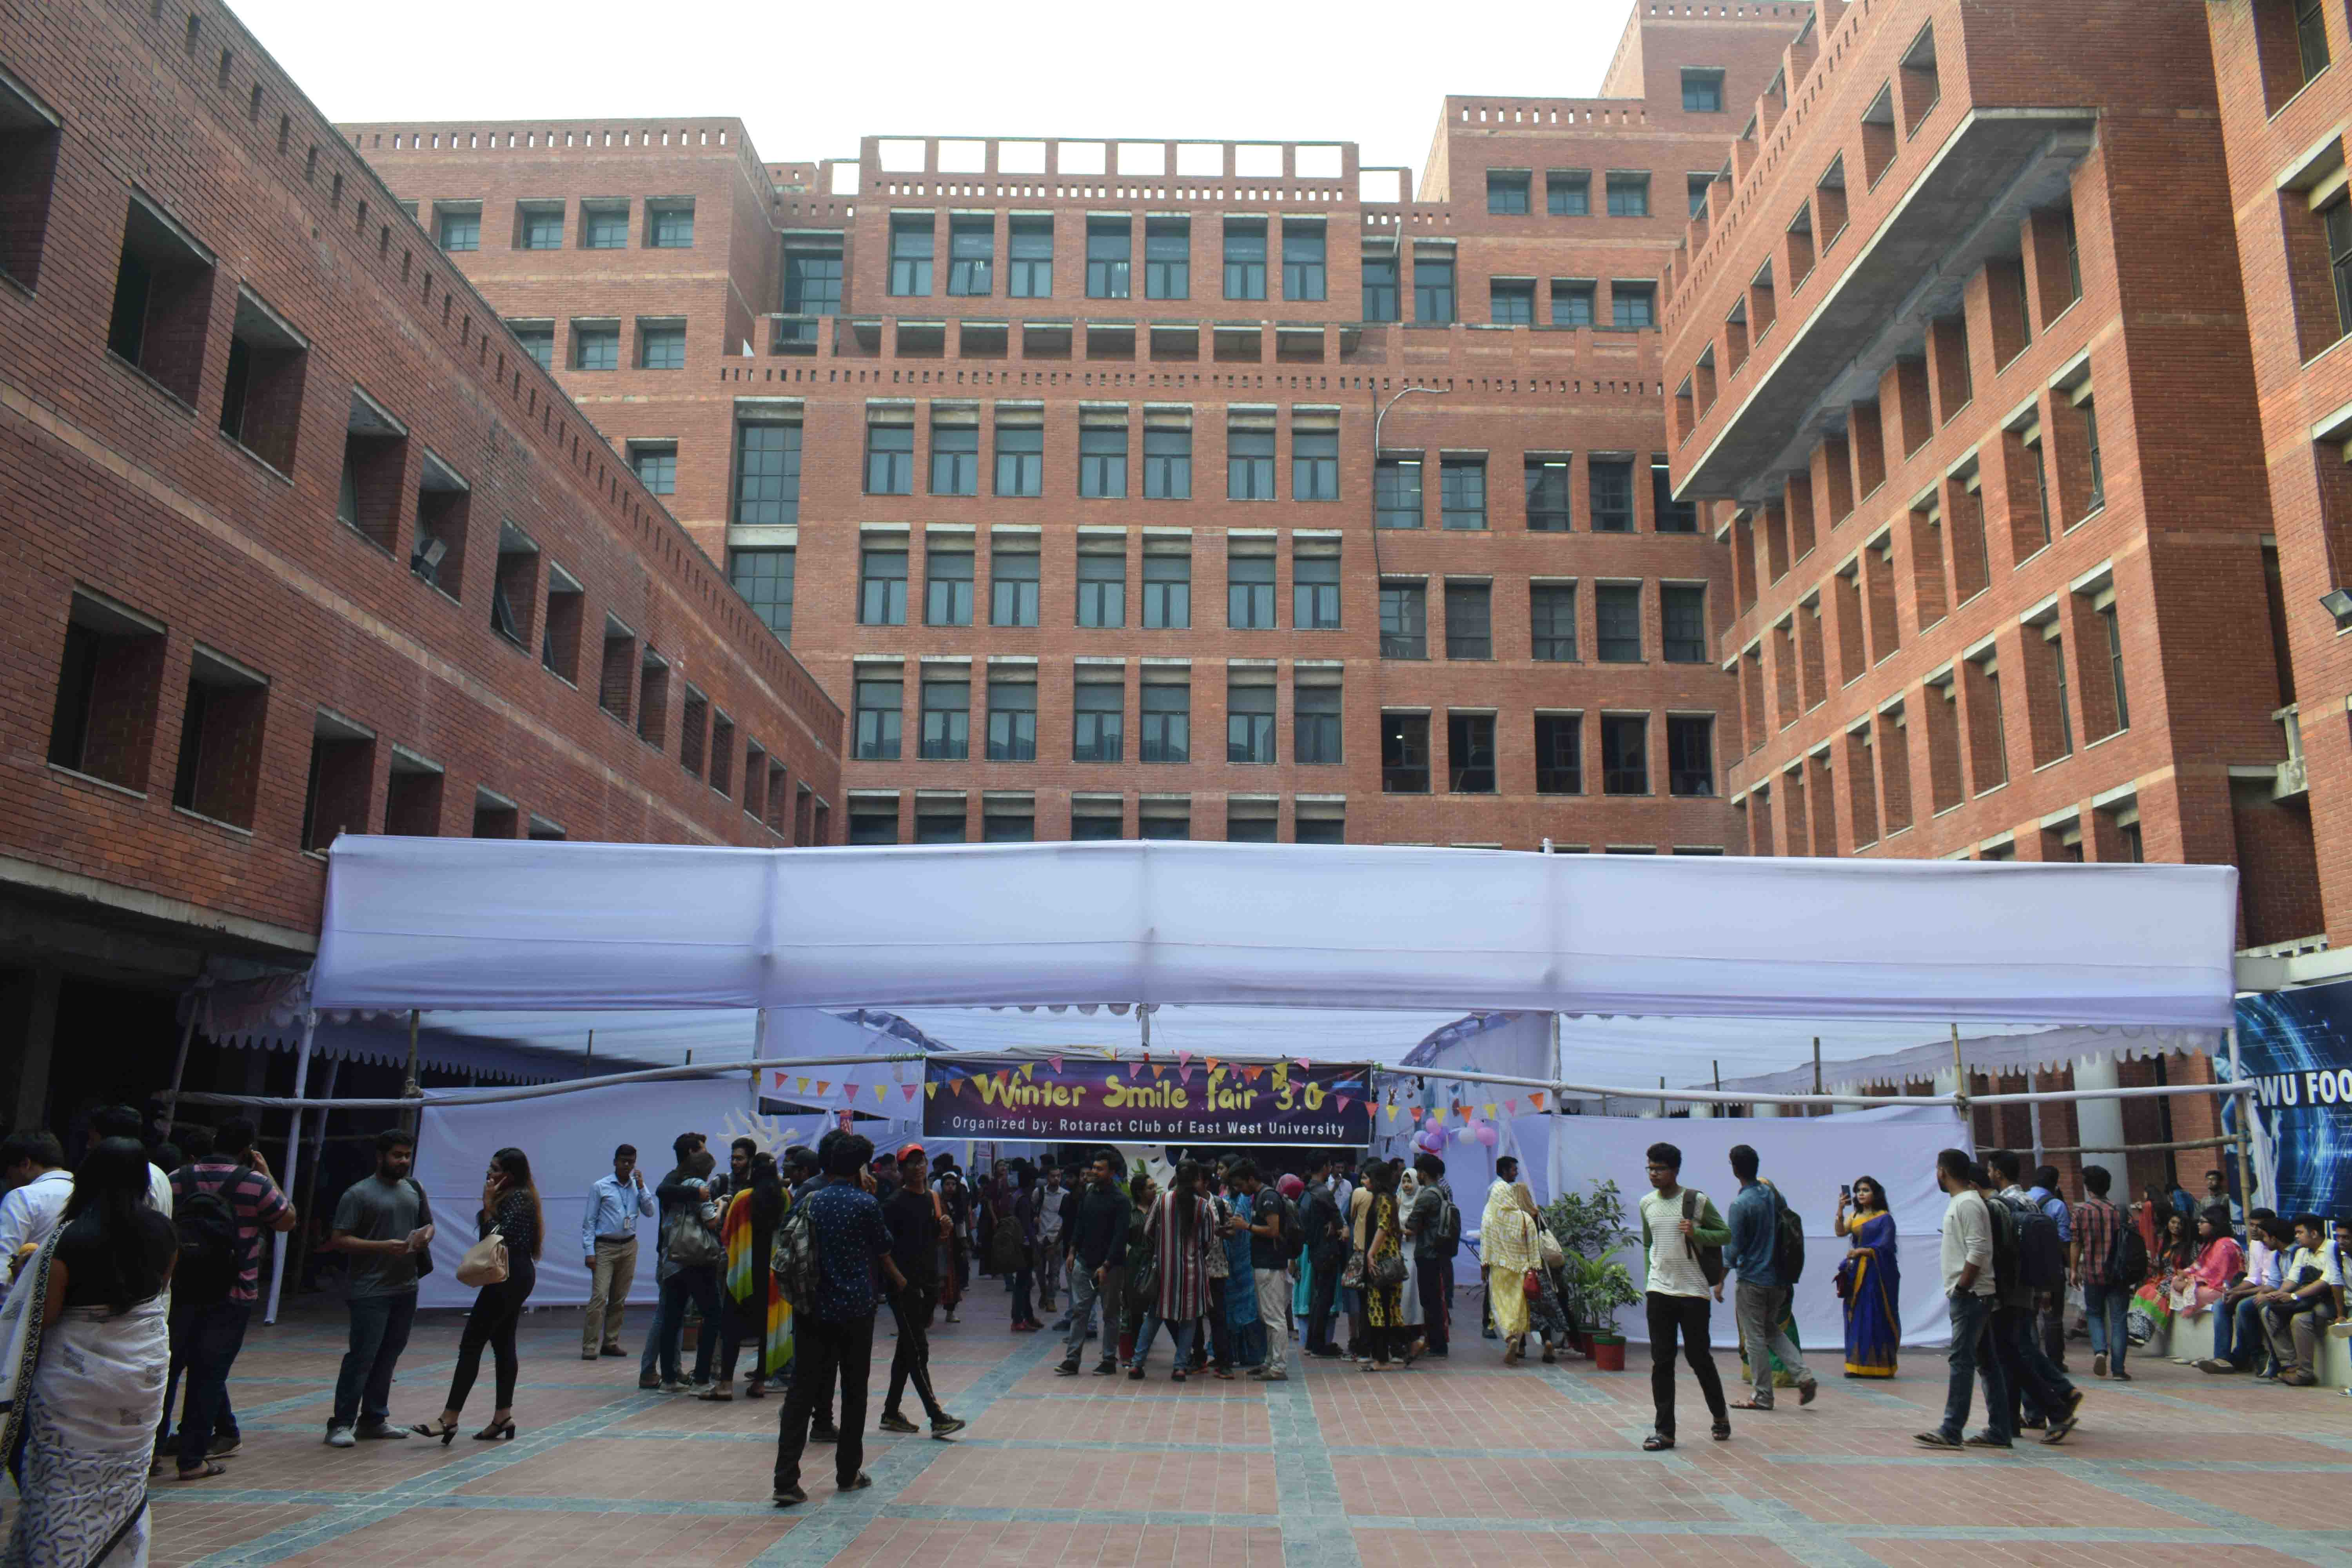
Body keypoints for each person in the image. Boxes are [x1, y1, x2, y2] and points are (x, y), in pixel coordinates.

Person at [0, 1138, 178, 1562]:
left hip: (74, 1386)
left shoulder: (69, 1240)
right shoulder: (164, 1232)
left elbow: (45, 1316)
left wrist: (28, 1279)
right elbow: (159, 1291)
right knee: (126, 1476)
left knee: (62, 1479)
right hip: (141, 1376)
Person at [771, 1135, 903, 1507]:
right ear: (860, 1167)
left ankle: (786, 1479)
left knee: (802, 1392)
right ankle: (848, 1473)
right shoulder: (865, 1203)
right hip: (855, 1310)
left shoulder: (810, 1199)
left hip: (812, 1307)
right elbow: (884, 1244)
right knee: (854, 1391)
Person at [165, 1117, 294, 1479]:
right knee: (209, 1376)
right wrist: (267, 1174)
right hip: (233, 1293)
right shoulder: (254, 1183)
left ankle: (152, 1451)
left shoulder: (177, 1179)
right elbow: (287, 1220)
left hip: (180, 1290)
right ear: (247, 1149)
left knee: (168, 1372)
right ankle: (192, 1459)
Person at [410, 1147, 542, 1443]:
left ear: (510, 1175)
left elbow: (495, 1239)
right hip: (512, 1275)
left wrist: (488, 1205)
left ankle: (449, 1419)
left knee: (471, 1344)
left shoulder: (519, 1198)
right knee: (503, 1344)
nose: (488, 1173)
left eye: (495, 1169)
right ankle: (503, 1417)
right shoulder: (517, 1196)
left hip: (509, 1278)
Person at [324, 1129, 433, 1447]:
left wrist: (425, 1238)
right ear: (381, 1157)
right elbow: (339, 1239)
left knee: (389, 1356)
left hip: (406, 1287)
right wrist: (383, 1246)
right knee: (362, 1357)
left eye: (407, 1156)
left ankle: (373, 1419)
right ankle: (341, 1423)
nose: (403, 1161)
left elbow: (428, 1225)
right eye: (397, 1155)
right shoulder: (358, 1194)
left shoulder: (414, 1189)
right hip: (370, 1290)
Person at [1634, 1142, 1730, 1450]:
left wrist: (1697, 1234)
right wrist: (1651, 1278)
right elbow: (1649, 1244)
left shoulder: (1696, 1201)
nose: (1654, 1174)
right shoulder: (1647, 1203)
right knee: (1662, 1361)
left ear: (1675, 1170)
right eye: (1650, 1168)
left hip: (1693, 1292)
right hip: (1659, 1291)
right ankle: (1665, 1432)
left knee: (1698, 1357)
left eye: (1660, 1169)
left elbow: (1725, 1234)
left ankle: (1720, 1415)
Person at [1978, 1165, 2081, 1444]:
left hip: (2009, 1292)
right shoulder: (2027, 1202)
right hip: (2024, 1288)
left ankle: (2052, 1404)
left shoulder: (1998, 1206)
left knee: (2017, 1352)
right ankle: (2020, 1418)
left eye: (1992, 1168)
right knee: (2014, 1352)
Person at [1914, 1149, 2007, 1449]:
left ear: (1942, 1172)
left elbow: (1978, 1250)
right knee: (1987, 1364)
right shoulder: (1963, 1201)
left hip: (1972, 1295)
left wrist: (1963, 1288)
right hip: (1975, 1295)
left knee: (1961, 1360)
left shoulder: (1967, 1203)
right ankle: (2000, 1431)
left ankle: (1952, 1429)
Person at [1722, 1144, 1815, 1412]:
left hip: (1753, 1280)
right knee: (1771, 1329)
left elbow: (1733, 1249)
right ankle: (1803, 1375)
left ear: (1735, 1169)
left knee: (1754, 1338)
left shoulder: (1740, 1205)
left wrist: (1720, 1279)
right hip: (1779, 1279)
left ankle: (1763, 1396)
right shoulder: (1774, 1196)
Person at [879, 1147, 963, 1434]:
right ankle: (936, 1417)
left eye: (921, 1162)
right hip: (903, 1287)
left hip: (927, 1284)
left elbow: (934, 1240)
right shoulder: (893, 1203)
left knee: (907, 1350)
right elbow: (882, 1249)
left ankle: (891, 1413)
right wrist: (900, 1281)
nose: (917, 1168)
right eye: (911, 1164)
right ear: (902, 1170)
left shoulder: (932, 1198)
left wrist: (944, 1229)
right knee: (919, 1351)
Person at [707, 1152, 790, 1401]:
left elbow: (728, 1233)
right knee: (768, 1329)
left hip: (744, 1274)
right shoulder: (785, 1197)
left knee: (731, 1329)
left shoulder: (743, 1198)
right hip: (773, 1276)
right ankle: (760, 1383)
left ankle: (725, 1385)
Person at [1129, 1158, 1216, 1381]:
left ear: (1176, 1176)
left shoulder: (1162, 1200)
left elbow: (1148, 1231)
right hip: (1193, 1273)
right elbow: (1208, 1241)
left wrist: (1162, 1248)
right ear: (1196, 1179)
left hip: (1163, 1272)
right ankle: (1180, 1368)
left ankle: (1137, 1364)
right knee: (1189, 1320)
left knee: (1154, 1317)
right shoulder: (1203, 1206)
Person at [652, 1136, 725, 1393]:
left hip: (674, 1259)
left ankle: (669, 1378)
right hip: (697, 1259)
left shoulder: (677, 1182)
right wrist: (721, 1205)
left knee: (672, 1319)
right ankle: (702, 1378)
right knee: (713, 1315)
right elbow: (711, 1222)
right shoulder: (696, 1185)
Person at [638, 1130, 709, 1388]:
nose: (707, 1155)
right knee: (666, 1314)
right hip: (671, 1257)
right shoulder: (676, 1179)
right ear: (691, 1153)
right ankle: (649, 1370)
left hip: (681, 1257)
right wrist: (696, 1194)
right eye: (702, 1150)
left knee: (675, 1316)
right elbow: (662, 1191)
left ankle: (674, 1369)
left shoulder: (688, 1179)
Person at [1056, 1151, 1129, 1376]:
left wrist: (1106, 1266)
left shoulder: (1120, 1201)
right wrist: (1072, 1251)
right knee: (1080, 1312)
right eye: (1094, 1168)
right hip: (1084, 1262)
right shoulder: (1089, 1194)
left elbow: (1120, 1238)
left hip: (1110, 1268)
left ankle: (1108, 1360)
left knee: (1110, 1314)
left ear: (1112, 1173)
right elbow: (1080, 1224)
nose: (1094, 1172)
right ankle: (1072, 1360)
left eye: (1100, 1169)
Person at [581, 1143, 655, 1360]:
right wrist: (589, 1251)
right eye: (623, 1161)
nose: (627, 1165)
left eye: (631, 1162)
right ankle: (590, 1345)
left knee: (619, 1298)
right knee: (599, 1297)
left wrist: (642, 1187)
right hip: (604, 1247)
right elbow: (589, 1222)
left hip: (629, 1246)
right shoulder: (600, 1187)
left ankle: (610, 1343)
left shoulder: (637, 1186)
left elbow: (650, 1212)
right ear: (615, 1162)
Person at [2258, 1212, 2343, 1387]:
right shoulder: (2302, 1251)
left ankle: (2305, 1373)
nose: (2296, 1237)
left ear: (2314, 1233)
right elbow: (2293, 1279)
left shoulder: (2331, 1247)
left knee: (2300, 1320)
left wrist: (2294, 1296)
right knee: (2269, 1311)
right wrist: (2279, 1294)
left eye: (2300, 1233)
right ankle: (2290, 1365)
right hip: (2307, 1299)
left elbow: (2327, 1280)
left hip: (2327, 1301)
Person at [2200, 1212, 2287, 1376]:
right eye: (2251, 1225)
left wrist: (2241, 1293)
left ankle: (2248, 1356)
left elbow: (2274, 1285)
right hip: (2259, 1289)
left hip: (2273, 1292)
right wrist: (2235, 1291)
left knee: (2244, 1306)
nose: (2253, 1229)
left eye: (2258, 1226)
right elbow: (2254, 1278)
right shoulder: (2255, 1245)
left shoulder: (2277, 1247)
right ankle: (2222, 1359)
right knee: (2221, 1303)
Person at [2071, 1164, 2132, 1382]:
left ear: (2088, 1187)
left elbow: (2075, 1242)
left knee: (2095, 1314)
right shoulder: (2120, 1211)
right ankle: (2119, 1370)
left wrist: (2074, 1270)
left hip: (2092, 1272)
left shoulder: (2080, 1212)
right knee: (2119, 1319)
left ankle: (2100, 1351)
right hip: (2119, 1273)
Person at [0, 1130, 72, 1307]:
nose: (9, 1181)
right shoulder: (85, 1193)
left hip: (23, 1305)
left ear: (26, 1164)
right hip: (68, 1305)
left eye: (9, 1174)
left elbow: (3, 1262)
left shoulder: (23, 1196)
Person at [1356, 1160, 1408, 1371]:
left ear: (1376, 1179)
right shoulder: (1382, 1198)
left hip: (1382, 1262)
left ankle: (1382, 1358)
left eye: (1366, 1178)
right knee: (1385, 1309)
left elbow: (1383, 1227)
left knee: (1380, 1309)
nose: (1363, 1182)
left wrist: (1370, 1254)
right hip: (1382, 1260)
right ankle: (1393, 1353)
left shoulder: (1384, 1199)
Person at [1404, 1153, 1454, 1356]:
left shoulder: (1426, 1196)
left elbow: (1411, 1224)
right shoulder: (1441, 1193)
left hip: (1427, 1253)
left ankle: (1437, 1345)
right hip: (1438, 1251)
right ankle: (1437, 1343)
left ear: (1423, 1173)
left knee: (1429, 1301)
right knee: (1435, 1300)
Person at [1299, 1156, 1346, 1359]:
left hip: (1314, 1250)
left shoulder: (1306, 1192)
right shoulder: (1323, 1193)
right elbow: (1340, 1223)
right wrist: (1338, 1228)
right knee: (1324, 1299)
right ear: (1326, 1168)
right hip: (1327, 1251)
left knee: (1318, 1298)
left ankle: (1312, 1344)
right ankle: (1318, 1346)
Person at [89, 1104, 173, 1216]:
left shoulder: (134, 1178)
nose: (89, 1146)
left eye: (93, 1140)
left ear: (110, 1141)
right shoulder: (155, 1173)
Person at [2026, 1164, 2072, 1368]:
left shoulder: (2021, 1199)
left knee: (2029, 1315)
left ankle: (2032, 1361)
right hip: (2052, 1267)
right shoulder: (2058, 1206)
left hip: (2026, 1266)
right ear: (2055, 1183)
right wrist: (2070, 1266)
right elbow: (2064, 1240)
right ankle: (2055, 1363)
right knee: (2053, 1316)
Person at [1035, 1163, 1065, 1318]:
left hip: (1057, 1238)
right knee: (1039, 1272)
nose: (1056, 1179)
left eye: (1058, 1176)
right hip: (1041, 1237)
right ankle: (1044, 1294)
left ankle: (1051, 1300)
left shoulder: (1065, 1195)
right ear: (1048, 1177)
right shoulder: (1039, 1193)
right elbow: (1033, 1209)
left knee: (1054, 1273)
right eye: (1053, 1176)